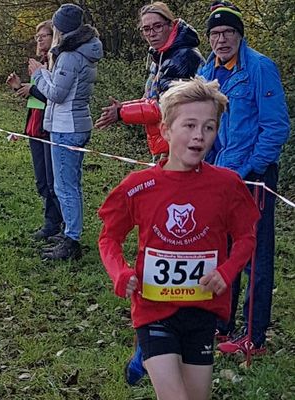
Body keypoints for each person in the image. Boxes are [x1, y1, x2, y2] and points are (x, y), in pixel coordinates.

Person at [98, 78, 260, 400]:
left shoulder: (227, 186)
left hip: (202, 311)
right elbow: (109, 239)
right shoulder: (138, 186)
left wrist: (226, 273)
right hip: (153, 309)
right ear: (166, 129)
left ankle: (145, 357)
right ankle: (148, 352)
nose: (199, 136)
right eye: (189, 125)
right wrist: (121, 273)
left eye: (209, 127)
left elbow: (246, 237)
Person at [199, 1, 290, 355]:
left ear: (240, 35)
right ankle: (222, 325)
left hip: (254, 177)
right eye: (215, 34)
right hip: (220, 174)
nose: (222, 40)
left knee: (254, 255)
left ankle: (254, 337)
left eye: (228, 33)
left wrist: (253, 167)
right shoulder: (208, 70)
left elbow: (276, 126)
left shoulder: (260, 68)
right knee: (223, 250)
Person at [28, 3, 103, 260]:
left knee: (65, 186)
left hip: (66, 126)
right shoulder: (83, 51)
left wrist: (39, 76)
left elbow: (57, 95)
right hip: (76, 123)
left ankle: (71, 240)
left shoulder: (70, 55)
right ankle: (71, 231)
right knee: (72, 184)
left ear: (59, 28)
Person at [95, 1, 204, 160]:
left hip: (184, 143)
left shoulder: (182, 57)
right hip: (167, 140)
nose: (152, 33)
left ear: (170, 24)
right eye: (146, 29)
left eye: (157, 26)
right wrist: (122, 107)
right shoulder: (160, 55)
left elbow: (165, 107)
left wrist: (121, 113)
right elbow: (150, 99)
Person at [6, 20, 64, 241]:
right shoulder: (39, 63)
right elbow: (38, 98)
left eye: (44, 36)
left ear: (55, 37)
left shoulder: (57, 64)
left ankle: (59, 226)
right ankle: (50, 223)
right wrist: (20, 87)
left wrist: (33, 88)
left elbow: (55, 97)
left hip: (51, 130)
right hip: (34, 128)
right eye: (37, 36)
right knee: (42, 181)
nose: (39, 40)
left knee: (53, 182)